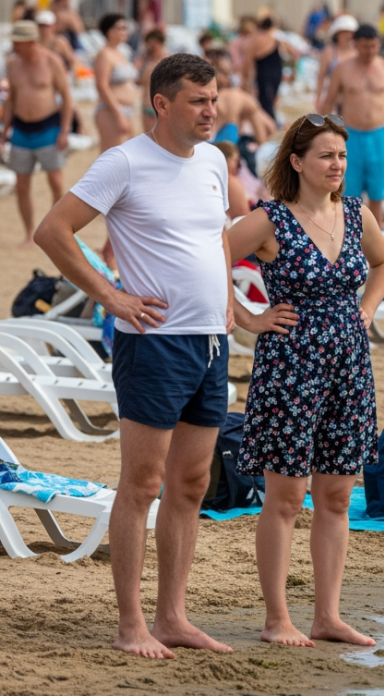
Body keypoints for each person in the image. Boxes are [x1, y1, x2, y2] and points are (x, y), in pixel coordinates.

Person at [33, 53, 234, 660]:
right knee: (142, 482)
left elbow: (218, 234)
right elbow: (53, 231)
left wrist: (228, 302)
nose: (211, 111)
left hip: (210, 341)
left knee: (193, 482)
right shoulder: (123, 161)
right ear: (162, 104)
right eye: (198, 101)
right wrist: (111, 296)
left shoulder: (216, 160)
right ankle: (130, 624)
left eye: (214, 98)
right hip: (153, 344)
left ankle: (172, 616)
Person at [226, 113, 384, 649]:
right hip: (290, 367)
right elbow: (209, 257)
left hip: (349, 365)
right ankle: (277, 618)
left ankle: (327, 616)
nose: (337, 165)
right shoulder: (270, 219)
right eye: (326, 155)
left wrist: (366, 309)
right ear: (297, 162)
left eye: (341, 156)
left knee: (338, 495)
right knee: (285, 497)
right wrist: (249, 317)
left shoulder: (354, 211)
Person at [320, 23, 384, 224]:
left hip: (377, 134)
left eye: (373, 46)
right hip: (350, 135)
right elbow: (329, 102)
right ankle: (349, 234)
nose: (370, 51)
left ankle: (376, 235)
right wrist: (319, 132)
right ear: (356, 45)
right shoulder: (342, 69)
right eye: (365, 47)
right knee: (349, 187)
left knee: (378, 189)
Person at [4, 20, 73, 247]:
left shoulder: (52, 61)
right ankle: (29, 233)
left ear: (30, 42)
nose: (15, 46)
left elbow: (66, 97)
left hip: (48, 126)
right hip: (22, 129)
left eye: (18, 42)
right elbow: (11, 100)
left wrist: (64, 131)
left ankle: (56, 231)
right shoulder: (13, 64)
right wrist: (5, 132)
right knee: (22, 184)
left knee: (55, 181)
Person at [243, 14, 300, 122]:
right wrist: (294, 71)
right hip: (276, 75)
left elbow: (247, 62)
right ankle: (270, 125)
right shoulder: (277, 40)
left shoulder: (256, 41)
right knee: (270, 101)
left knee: (265, 102)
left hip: (263, 76)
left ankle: (269, 125)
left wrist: (246, 79)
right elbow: (295, 54)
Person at [94, 13, 137, 153]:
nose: (125, 31)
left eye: (125, 28)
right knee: (111, 157)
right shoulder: (104, 55)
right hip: (111, 111)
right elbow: (102, 86)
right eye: (121, 28)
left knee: (128, 156)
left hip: (127, 110)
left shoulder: (121, 52)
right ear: (109, 31)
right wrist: (118, 115)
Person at [314, 14, 357, 113]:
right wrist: (318, 98)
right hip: (332, 98)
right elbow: (321, 77)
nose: (348, 36)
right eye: (344, 32)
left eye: (351, 33)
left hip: (351, 99)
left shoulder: (357, 53)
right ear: (337, 34)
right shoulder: (329, 52)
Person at [137, 28, 168, 132]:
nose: (151, 48)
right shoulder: (147, 60)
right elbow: (140, 81)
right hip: (147, 105)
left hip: (164, 107)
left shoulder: (168, 60)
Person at [212, 141, 250, 219]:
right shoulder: (230, 181)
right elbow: (241, 215)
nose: (237, 164)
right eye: (235, 160)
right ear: (227, 161)